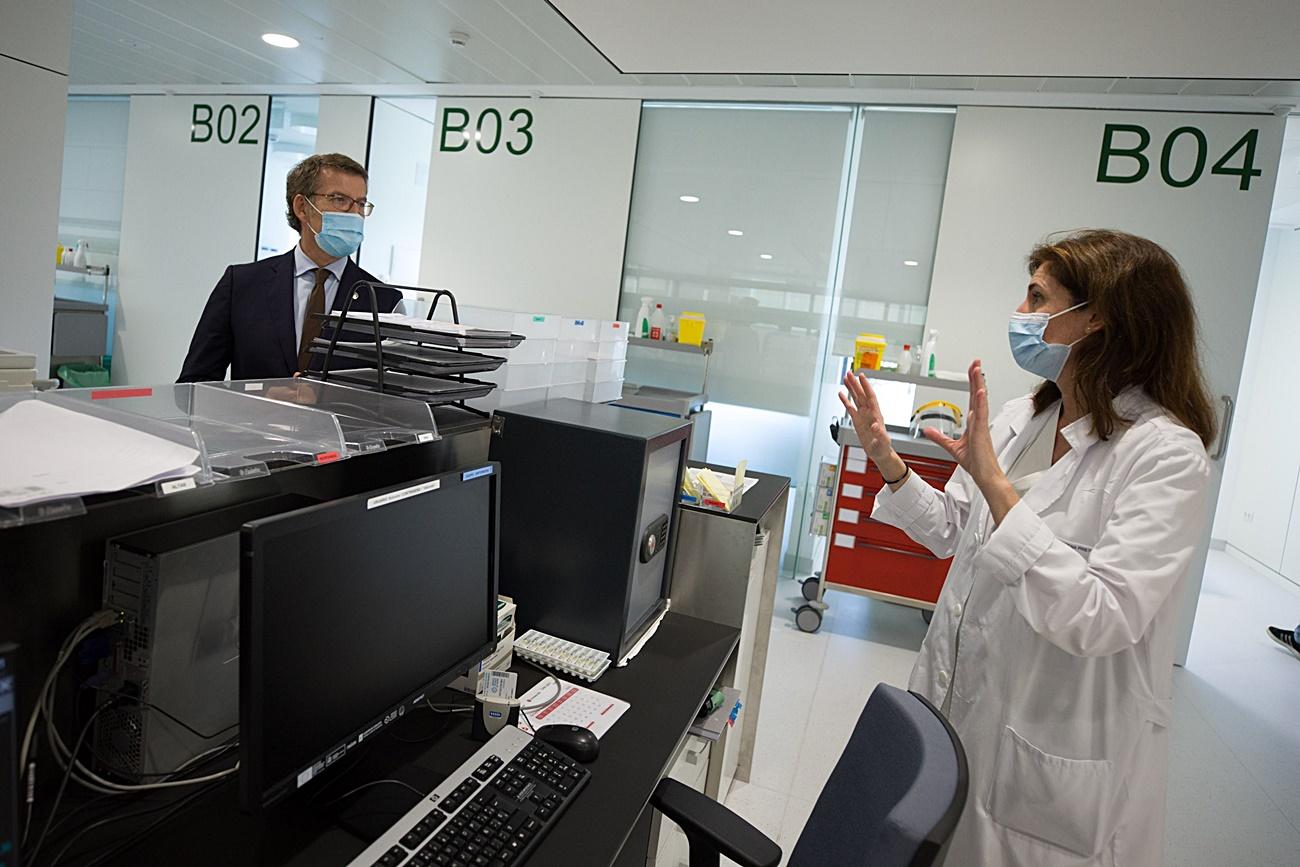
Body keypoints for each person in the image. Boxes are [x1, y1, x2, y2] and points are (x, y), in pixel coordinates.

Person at [839, 229, 1216, 867]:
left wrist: (995, 486)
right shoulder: (1026, 417)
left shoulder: (1165, 455)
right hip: (960, 707)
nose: (1022, 311)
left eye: (1038, 297)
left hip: (1055, 748)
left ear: (1096, 319)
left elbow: (1103, 615)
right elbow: (953, 531)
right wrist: (890, 462)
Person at [178, 153, 400, 382]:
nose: (355, 214)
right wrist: (260, 400)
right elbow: (193, 385)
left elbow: (390, 402)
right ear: (302, 207)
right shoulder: (242, 284)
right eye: (339, 200)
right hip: (254, 418)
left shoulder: (383, 301)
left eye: (361, 204)